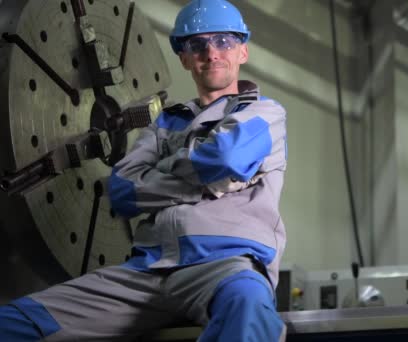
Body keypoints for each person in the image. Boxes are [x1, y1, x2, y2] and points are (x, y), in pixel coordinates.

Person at [0, 0, 288, 340]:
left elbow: (225, 158)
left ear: (242, 51)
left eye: (223, 41)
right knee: (14, 322)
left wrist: (164, 169)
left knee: (248, 308)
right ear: (183, 57)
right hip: (149, 271)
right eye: (197, 44)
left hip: (225, 265)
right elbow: (122, 188)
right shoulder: (165, 124)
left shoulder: (264, 114)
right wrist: (209, 183)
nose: (211, 53)